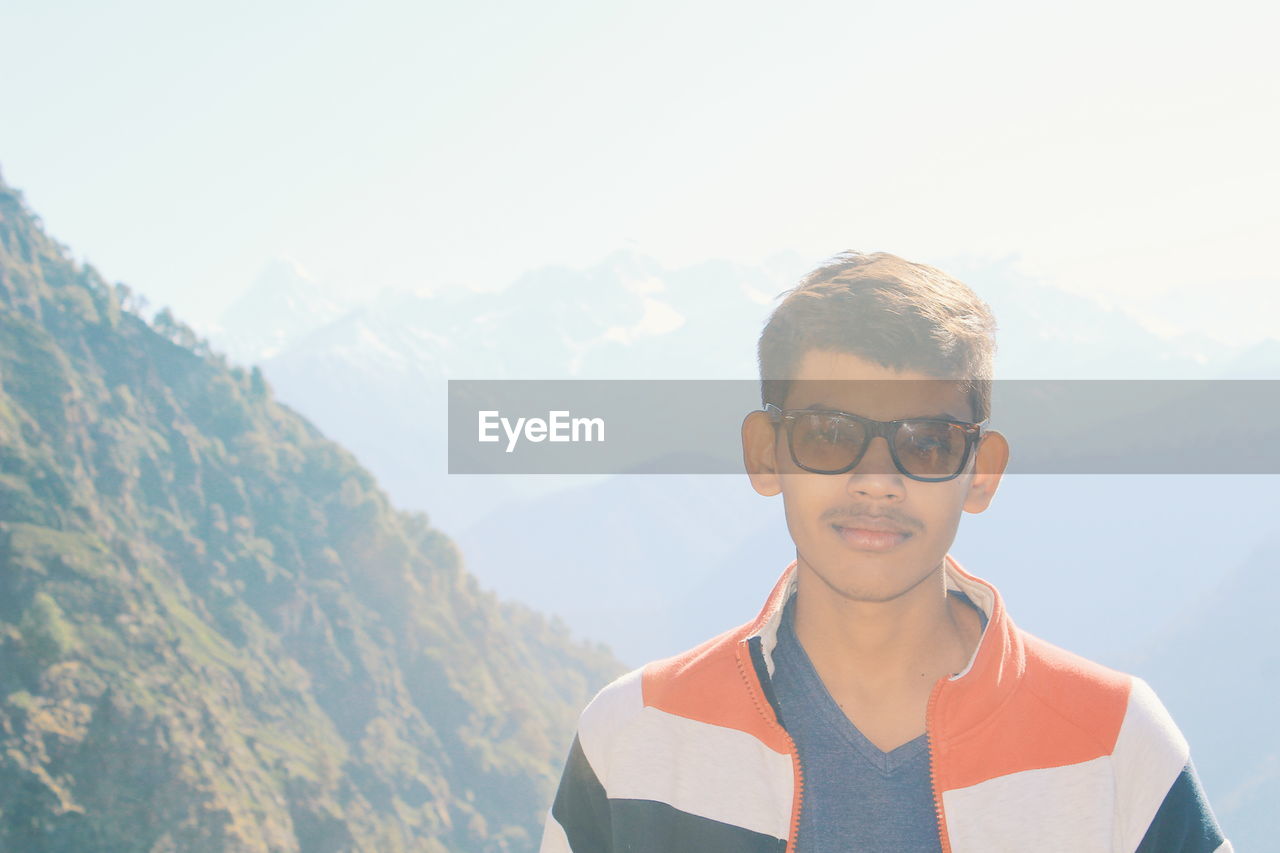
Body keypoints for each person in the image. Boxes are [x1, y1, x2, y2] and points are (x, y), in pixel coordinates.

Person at [538, 251, 1231, 852]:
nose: (877, 480)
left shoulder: (1114, 746)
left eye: (927, 440)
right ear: (765, 453)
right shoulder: (634, 741)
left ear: (981, 469)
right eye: (829, 433)